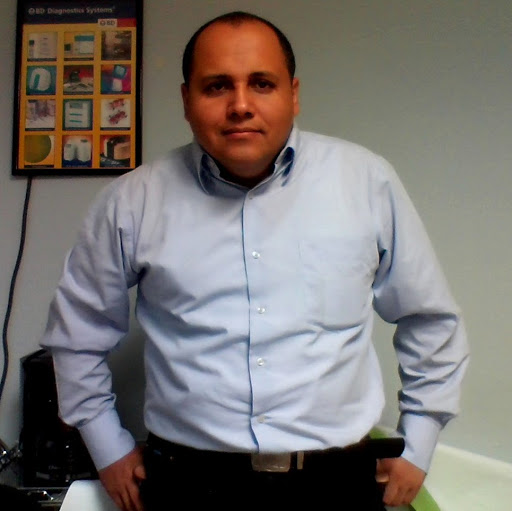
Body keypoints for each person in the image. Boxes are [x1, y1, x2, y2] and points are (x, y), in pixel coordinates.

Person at [40, 10, 469, 511]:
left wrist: (418, 443)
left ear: (293, 94)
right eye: (217, 86)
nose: (240, 105)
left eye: (262, 84)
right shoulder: (132, 202)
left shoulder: (367, 183)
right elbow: (76, 336)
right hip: (187, 486)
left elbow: (429, 319)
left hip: (338, 484)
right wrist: (107, 448)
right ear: (187, 100)